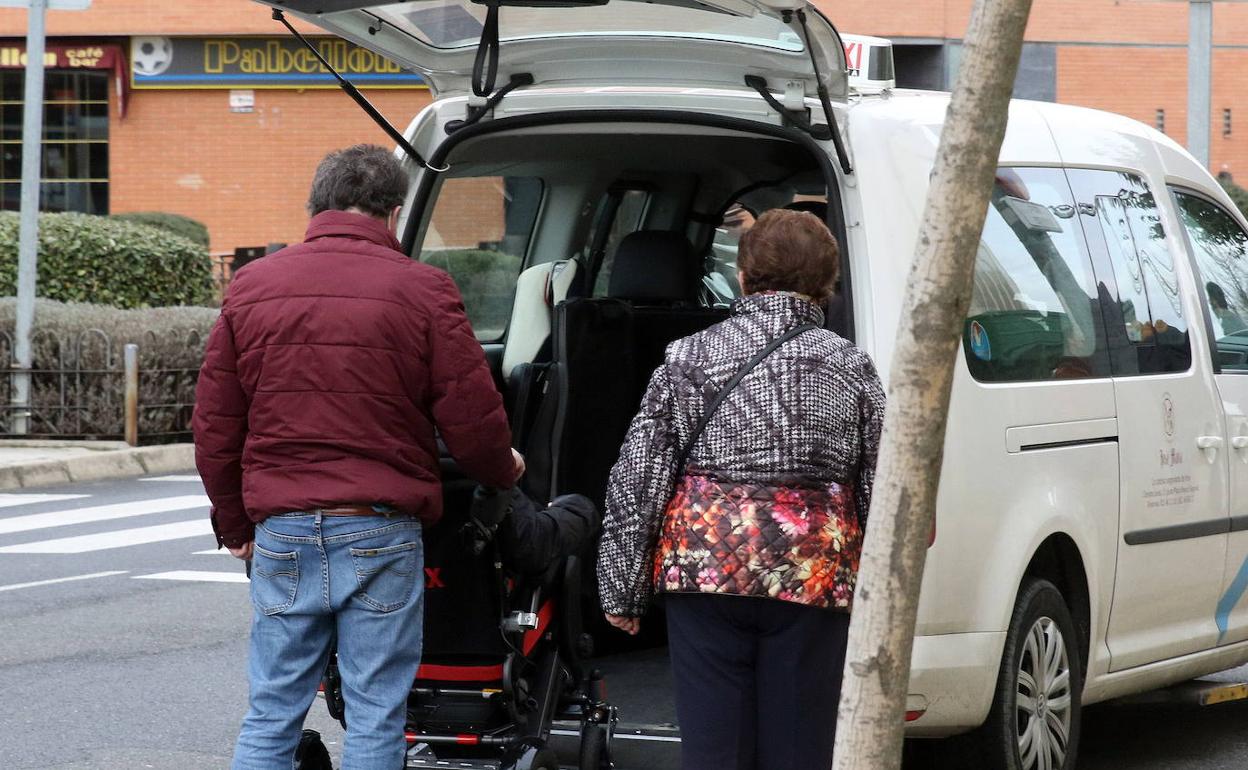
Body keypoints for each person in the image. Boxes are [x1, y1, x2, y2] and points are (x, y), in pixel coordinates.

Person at [193, 144, 519, 770]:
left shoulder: (253, 286)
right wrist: (505, 472)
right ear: (394, 214)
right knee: (376, 713)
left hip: (282, 527)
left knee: (271, 710)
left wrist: (236, 525)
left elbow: (215, 425)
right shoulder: (424, 289)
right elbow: (471, 417)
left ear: (315, 206)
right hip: (378, 526)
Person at [596, 209, 886, 770]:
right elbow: (883, 492)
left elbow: (638, 481)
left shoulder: (687, 357)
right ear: (825, 286)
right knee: (800, 748)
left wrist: (622, 591)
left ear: (744, 277)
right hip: (813, 579)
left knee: (713, 751)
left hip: (704, 576)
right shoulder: (852, 367)